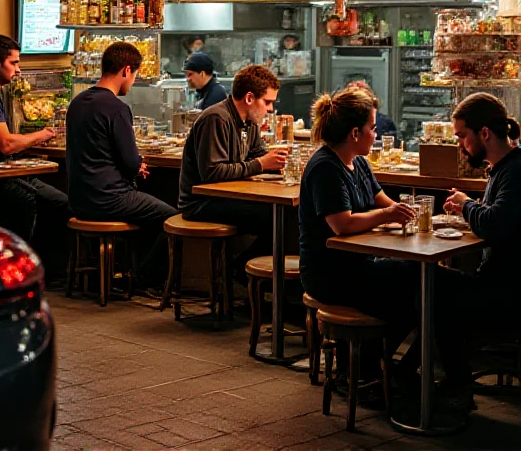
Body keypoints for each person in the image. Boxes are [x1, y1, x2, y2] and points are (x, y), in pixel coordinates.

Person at [299, 88, 417, 386]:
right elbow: (342, 224)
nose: (375, 134)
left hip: (358, 264)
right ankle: (364, 371)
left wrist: (408, 212)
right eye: (372, 128)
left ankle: (378, 368)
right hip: (330, 273)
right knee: (414, 294)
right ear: (354, 133)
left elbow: (381, 199)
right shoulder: (325, 167)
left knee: (422, 284)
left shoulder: (359, 161)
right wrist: (388, 217)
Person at [0, 34, 69, 280]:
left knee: (56, 199)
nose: (18, 70)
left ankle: (34, 268)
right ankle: (30, 270)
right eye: (14, 63)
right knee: (58, 203)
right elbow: (5, 144)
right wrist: (42, 135)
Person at [66, 41, 176, 290]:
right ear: (126, 70)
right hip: (110, 199)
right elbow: (128, 161)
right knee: (172, 219)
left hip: (78, 199)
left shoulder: (77, 103)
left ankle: (126, 271)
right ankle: (143, 279)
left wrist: (134, 164)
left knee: (149, 216)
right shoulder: (117, 108)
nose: (133, 81)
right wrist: (137, 166)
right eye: (134, 75)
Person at [436, 93, 521, 403]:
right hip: (501, 282)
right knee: (431, 285)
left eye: (462, 136)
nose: (460, 145)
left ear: (484, 133)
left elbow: (495, 223)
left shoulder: (514, 171)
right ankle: (441, 383)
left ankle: (455, 389)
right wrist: (470, 211)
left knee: (433, 292)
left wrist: (465, 204)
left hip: (507, 291)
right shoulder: (504, 167)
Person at [178, 64, 288, 263]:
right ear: (249, 98)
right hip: (200, 203)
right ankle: (243, 270)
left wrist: (281, 163)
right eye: (267, 102)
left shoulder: (249, 121)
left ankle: (252, 273)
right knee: (278, 219)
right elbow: (212, 173)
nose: (271, 109)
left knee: (289, 213)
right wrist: (262, 164)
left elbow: (257, 153)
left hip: (226, 197)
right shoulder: (216, 118)